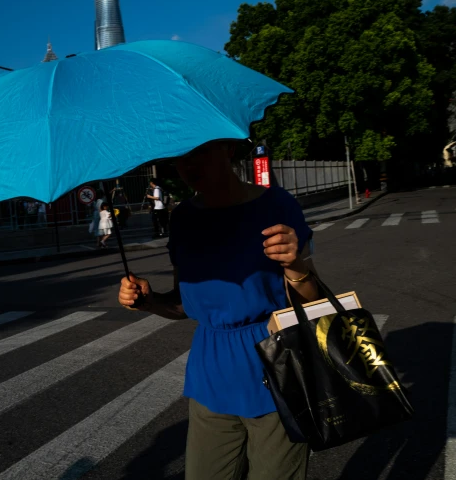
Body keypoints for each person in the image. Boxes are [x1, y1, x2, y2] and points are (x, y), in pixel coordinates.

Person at [118, 141, 318, 480]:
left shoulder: (277, 205)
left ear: (227, 148)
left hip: (278, 369)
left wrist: (296, 265)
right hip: (210, 378)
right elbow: (185, 305)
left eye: (199, 152)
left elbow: (313, 300)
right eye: (179, 156)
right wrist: (149, 301)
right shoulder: (183, 218)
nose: (188, 164)